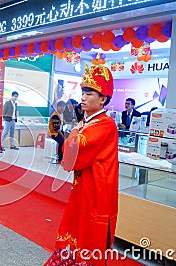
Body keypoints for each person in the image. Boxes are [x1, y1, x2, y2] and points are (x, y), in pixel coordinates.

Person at [45, 63, 118, 266]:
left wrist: (74, 132)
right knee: (77, 224)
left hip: (97, 189)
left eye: (90, 93)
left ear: (103, 99)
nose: (84, 97)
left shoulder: (105, 124)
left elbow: (74, 150)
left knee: (89, 228)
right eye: (83, 92)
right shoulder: (88, 122)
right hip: (84, 184)